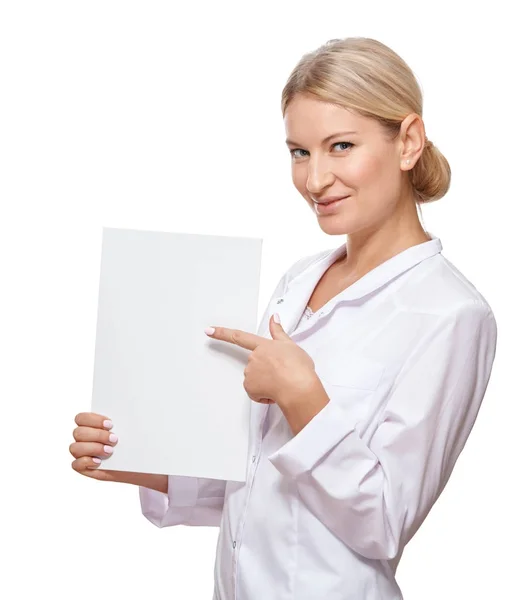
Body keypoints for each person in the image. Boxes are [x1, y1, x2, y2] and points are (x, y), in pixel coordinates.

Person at [70, 37, 498, 599]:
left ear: (408, 142)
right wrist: (133, 457)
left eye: (340, 146)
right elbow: (257, 479)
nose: (315, 180)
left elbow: (386, 524)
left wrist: (304, 398)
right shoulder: (298, 280)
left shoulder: (451, 314)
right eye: (299, 152)